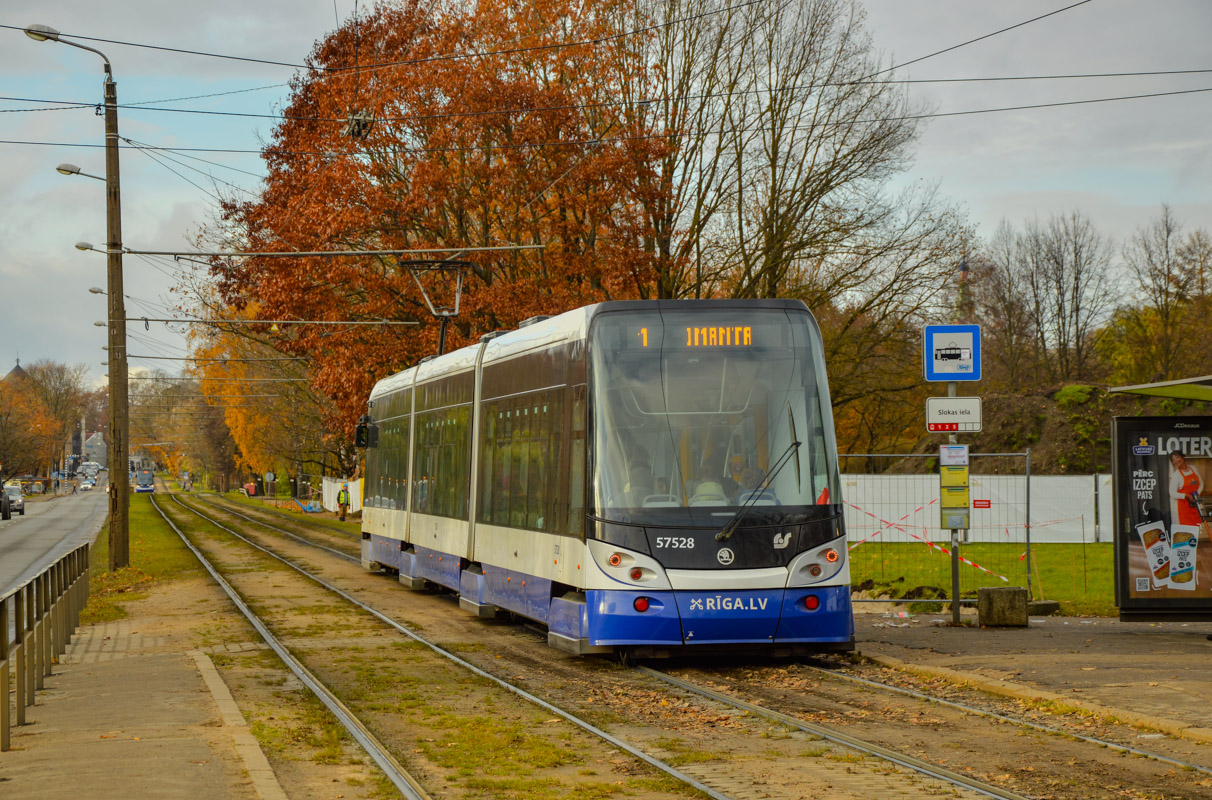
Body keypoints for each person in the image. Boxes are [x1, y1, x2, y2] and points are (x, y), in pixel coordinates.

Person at [1168, 451, 1204, 527]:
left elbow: (1201, 484)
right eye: (1173, 460)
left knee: (1196, 528)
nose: (1175, 461)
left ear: (1183, 457)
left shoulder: (1193, 468)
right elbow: (1172, 493)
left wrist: (1195, 496)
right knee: (1185, 530)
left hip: (1194, 505)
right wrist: (1186, 496)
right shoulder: (1176, 475)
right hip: (1183, 508)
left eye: (1177, 457)